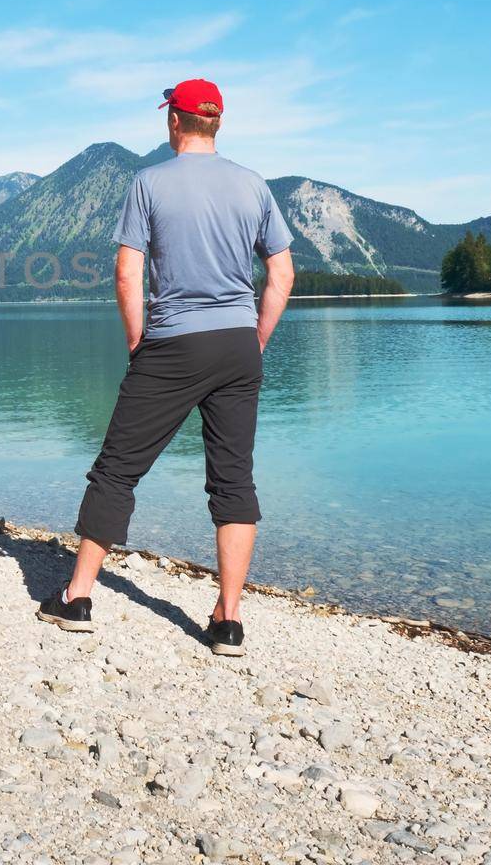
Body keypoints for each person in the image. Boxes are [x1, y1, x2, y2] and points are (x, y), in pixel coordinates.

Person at [37, 78, 295, 655]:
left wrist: (139, 342)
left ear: (174, 122)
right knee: (233, 479)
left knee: (118, 470)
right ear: (217, 122)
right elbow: (281, 276)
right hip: (236, 344)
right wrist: (254, 340)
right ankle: (228, 620)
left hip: (173, 342)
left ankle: (77, 597)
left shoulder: (148, 183)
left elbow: (128, 274)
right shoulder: (254, 186)